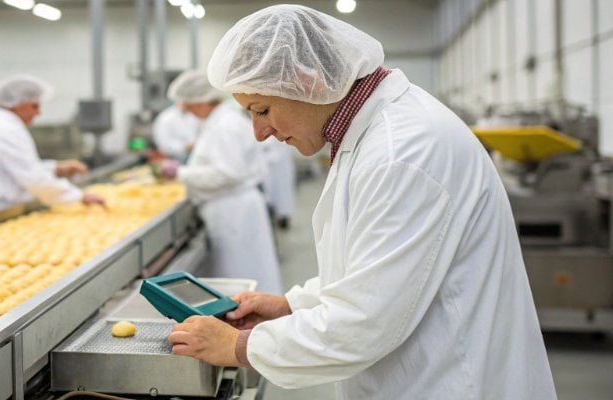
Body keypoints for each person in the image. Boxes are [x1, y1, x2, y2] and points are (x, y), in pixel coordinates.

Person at [167, 5, 556, 400]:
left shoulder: (401, 152)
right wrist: (291, 304)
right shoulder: (370, 133)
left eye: (262, 110)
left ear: (308, 80)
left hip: (451, 382)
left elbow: (363, 322)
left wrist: (236, 346)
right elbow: (376, 267)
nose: (259, 132)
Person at [159, 70, 282, 294]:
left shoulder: (224, 126)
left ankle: (253, 322)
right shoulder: (219, 122)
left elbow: (227, 174)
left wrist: (181, 174)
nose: (185, 110)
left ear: (202, 101)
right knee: (246, 272)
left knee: (240, 274)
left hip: (233, 211)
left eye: (188, 103)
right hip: (233, 208)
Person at [0, 74, 104, 216]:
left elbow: (17, 167)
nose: (39, 113)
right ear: (16, 104)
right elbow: (33, 179)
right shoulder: (6, 130)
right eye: (34, 106)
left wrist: (56, 169)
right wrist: (79, 196)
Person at [260, 137, 296, 229]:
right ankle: (276, 215)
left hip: (280, 162)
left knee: (283, 192)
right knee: (272, 192)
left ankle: (283, 216)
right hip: (269, 163)